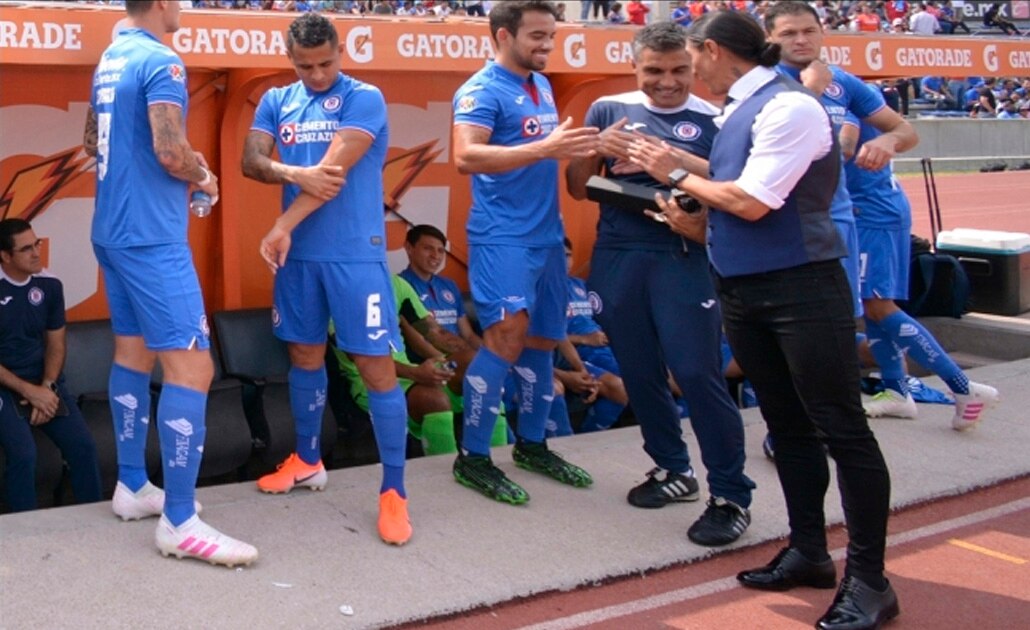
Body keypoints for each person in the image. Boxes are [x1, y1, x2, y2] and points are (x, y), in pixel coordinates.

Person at [628, 11, 899, 629]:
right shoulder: (740, 112)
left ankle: (871, 580)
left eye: (692, 58)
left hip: (803, 287)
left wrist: (670, 168)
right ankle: (810, 551)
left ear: (714, 51)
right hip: (746, 290)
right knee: (788, 425)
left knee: (843, 431)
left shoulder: (791, 108)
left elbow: (752, 199)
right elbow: (733, 185)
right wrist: (671, 161)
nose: (688, 71)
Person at [566, 21, 755, 546]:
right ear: (635, 67)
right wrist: (593, 147)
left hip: (682, 254)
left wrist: (669, 170)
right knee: (640, 371)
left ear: (695, 66)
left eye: (679, 71)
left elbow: (736, 195)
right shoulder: (609, 110)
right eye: (655, 71)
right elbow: (579, 189)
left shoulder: (719, 120)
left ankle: (731, 493)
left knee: (696, 372)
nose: (667, 82)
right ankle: (673, 469)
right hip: (618, 255)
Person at [83, 0, 257, 566]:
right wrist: (202, 173)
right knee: (193, 367)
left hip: (111, 230)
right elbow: (167, 150)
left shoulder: (111, 57)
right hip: (151, 239)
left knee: (133, 354)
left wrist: (182, 163)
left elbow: (93, 142)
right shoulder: (164, 61)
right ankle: (179, 521)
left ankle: (133, 487)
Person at [240, 12, 411, 545]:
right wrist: (291, 172)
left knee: (376, 367)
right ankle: (309, 459)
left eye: (325, 63)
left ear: (342, 51)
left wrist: (281, 224)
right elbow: (251, 161)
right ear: (289, 59)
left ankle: (394, 492)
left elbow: (332, 177)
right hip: (300, 259)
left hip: (353, 256)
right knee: (304, 356)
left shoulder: (365, 98)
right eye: (304, 65)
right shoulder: (276, 100)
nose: (316, 74)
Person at [450, 0, 599, 505]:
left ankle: (533, 445)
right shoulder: (481, 89)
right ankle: (472, 456)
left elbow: (554, 153)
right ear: (502, 35)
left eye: (550, 37)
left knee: (541, 340)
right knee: (505, 338)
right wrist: (545, 149)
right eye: (536, 36)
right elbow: (466, 155)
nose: (546, 46)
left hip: (546, 237)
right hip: (502, 237)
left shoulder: (542, 86)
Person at [839, 110, 1000, 427]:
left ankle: (962, 386)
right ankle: (897, 392)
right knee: (873, 304)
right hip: (874, 208)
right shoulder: (839, 90)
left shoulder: (835, 92)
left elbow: (847, 145)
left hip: (872, 213)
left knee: (879, 305)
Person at [765, 0, 918, 323]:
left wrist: (886, 140)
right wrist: (813, 91)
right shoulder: (764, 85)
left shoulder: (843, 82)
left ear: (823, 34)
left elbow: (905, 131)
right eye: (789, 33)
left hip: (842, 218)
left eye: (809, 31)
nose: (801, 40)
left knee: (849, 314)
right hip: (788, 222)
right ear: (770, 39)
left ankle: (894, 375)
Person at [0, 219, 102, 513]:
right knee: (23, 453)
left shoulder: (50, 284)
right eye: (26, 249)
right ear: (6, 256)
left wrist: (47, 387)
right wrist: (29, 392)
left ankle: (92, 521)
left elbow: (56, 343)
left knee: (83, 447)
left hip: (43, 380)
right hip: (6, 387)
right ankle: (25, 530)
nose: (36, 253)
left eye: (37, 244)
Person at [558, 238, 628, 433]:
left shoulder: (580, 285)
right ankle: (589, 435)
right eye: (559, 256)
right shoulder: (542, 290)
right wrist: (585, 339)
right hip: (579, 351)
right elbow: (546, 336)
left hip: (603, 345)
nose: (565, 261)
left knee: (660, 369)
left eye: (568, 256)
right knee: (630, 380)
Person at [399, 225, 480, 352]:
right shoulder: (400, 285)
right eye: (428, 248)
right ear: (409, 248)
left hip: (460, 355)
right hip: (428, 362)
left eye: (441, 250)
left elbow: (468, 335)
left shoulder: (449, 285)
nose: (435, 255)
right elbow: (418, 342)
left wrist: (492, 358)